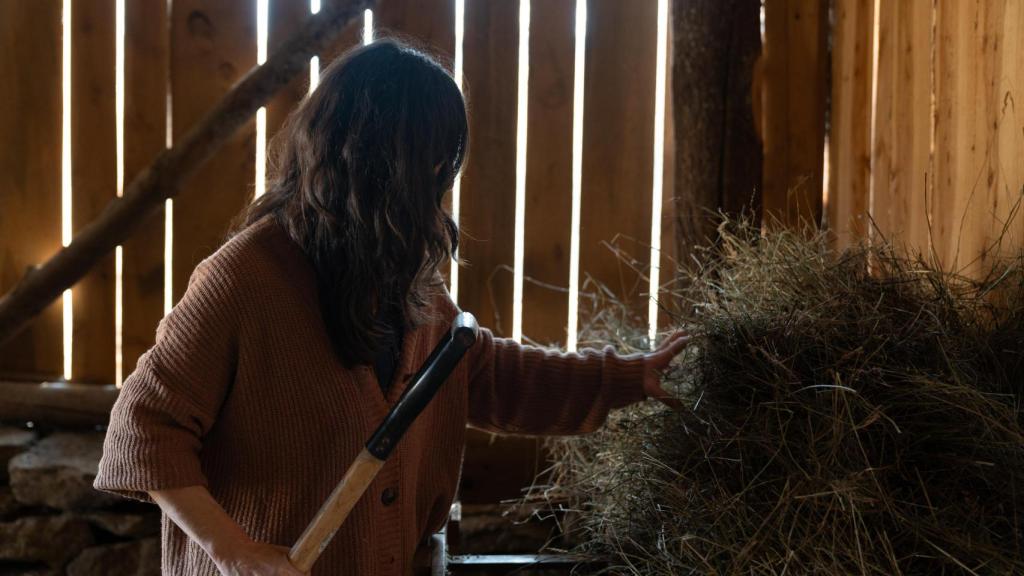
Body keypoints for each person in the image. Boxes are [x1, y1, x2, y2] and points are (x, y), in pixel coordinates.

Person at [95, 39, 688, 575]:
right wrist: (237, 553)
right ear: (368, 156)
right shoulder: (245, 278)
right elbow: (144, 428)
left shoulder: (404, 278)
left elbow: (483, 373)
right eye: (427, 155)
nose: (439, 176)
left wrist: (626, 377)